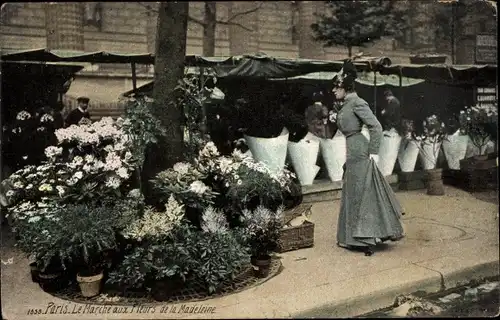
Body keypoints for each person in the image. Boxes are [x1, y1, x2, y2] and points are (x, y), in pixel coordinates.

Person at [332, 59, 405, 257]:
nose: (333, 90)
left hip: (360, 152)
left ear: (344, 87)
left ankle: (365, 238)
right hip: (352, 150)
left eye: (335, 86)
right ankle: (352, 237)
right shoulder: (346, 104)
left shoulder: (357, 102)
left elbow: (376, 126)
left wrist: (373, 151)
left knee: (361, 194)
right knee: (353, 192)